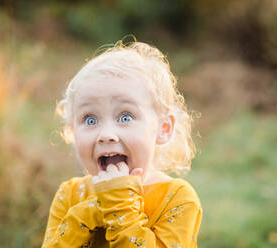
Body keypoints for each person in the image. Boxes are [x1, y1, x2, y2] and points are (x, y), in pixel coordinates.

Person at [41, 40, 202, 248]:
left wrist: (118, 205)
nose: (106, 135)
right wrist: (93, 209)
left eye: (125, 117)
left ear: (163, 128)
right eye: (90, 120)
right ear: (73, 132)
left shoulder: (178, 199)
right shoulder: (69, 195)